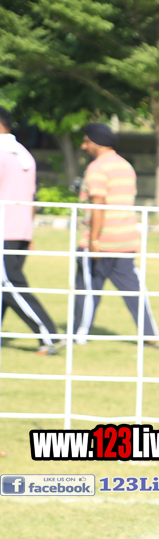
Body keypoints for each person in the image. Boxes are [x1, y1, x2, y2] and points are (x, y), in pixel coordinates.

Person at [73, 123, 158, 345]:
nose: (84, 146)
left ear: (96, 143)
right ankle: (149, 334)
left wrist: (94, 239)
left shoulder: (97, 167)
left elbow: (98, 203)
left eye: (86, 141)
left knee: (87, 290)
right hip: (125, 239)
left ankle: (78, 334)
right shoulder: (125, 166)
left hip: (100, 241)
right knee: (133, 290)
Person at [0, 106, 61, 355]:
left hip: (4, 230)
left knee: (8, 284)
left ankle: (49, 335)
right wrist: (30, 232)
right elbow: (31, 197)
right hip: (20, 230)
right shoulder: (23, 153)